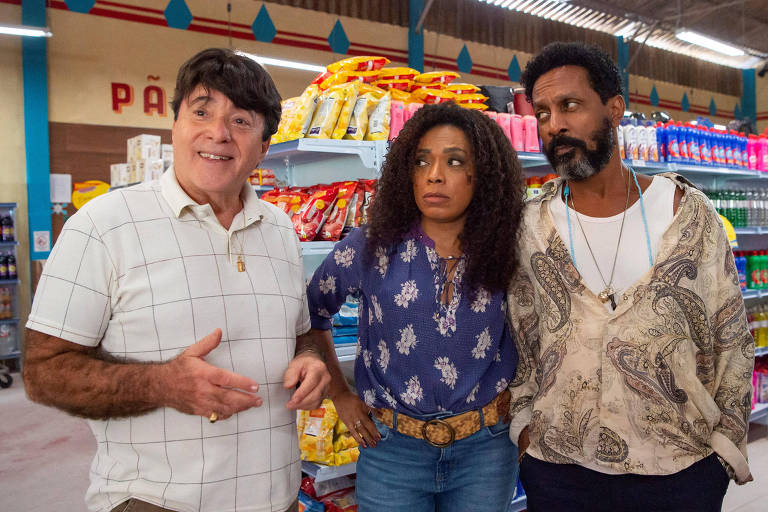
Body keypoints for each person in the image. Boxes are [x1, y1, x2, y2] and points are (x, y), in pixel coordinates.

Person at [23, 48, 330, 512]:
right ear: (176, 125)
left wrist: (311, 362)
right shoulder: (104, 225)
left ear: (264, 148)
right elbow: (43, 373)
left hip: (277, 498)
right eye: (201, 111)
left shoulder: (281, 228)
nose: (218, 133)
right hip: (155, 500)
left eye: (241, 121)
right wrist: (161, 384)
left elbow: (299, 334)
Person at [507, 42, 754, 512]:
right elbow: (521, 337)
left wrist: (724, 448)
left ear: (615, 109)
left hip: (679, 469)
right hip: (559, 469)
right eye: (541, 113)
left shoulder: (686, 213)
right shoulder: (531, 226)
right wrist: (524, 427)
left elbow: (731, 339)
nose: (554, 124)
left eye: (570, 106)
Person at [305, 102, 524, 511]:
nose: (435, 175)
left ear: (485, 176)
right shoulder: (370, 247)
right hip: (392, 452)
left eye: (455, 161)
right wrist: (340, 393)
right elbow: (311, 314)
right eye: (422, 161)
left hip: (486, 450)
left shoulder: (509, 249)